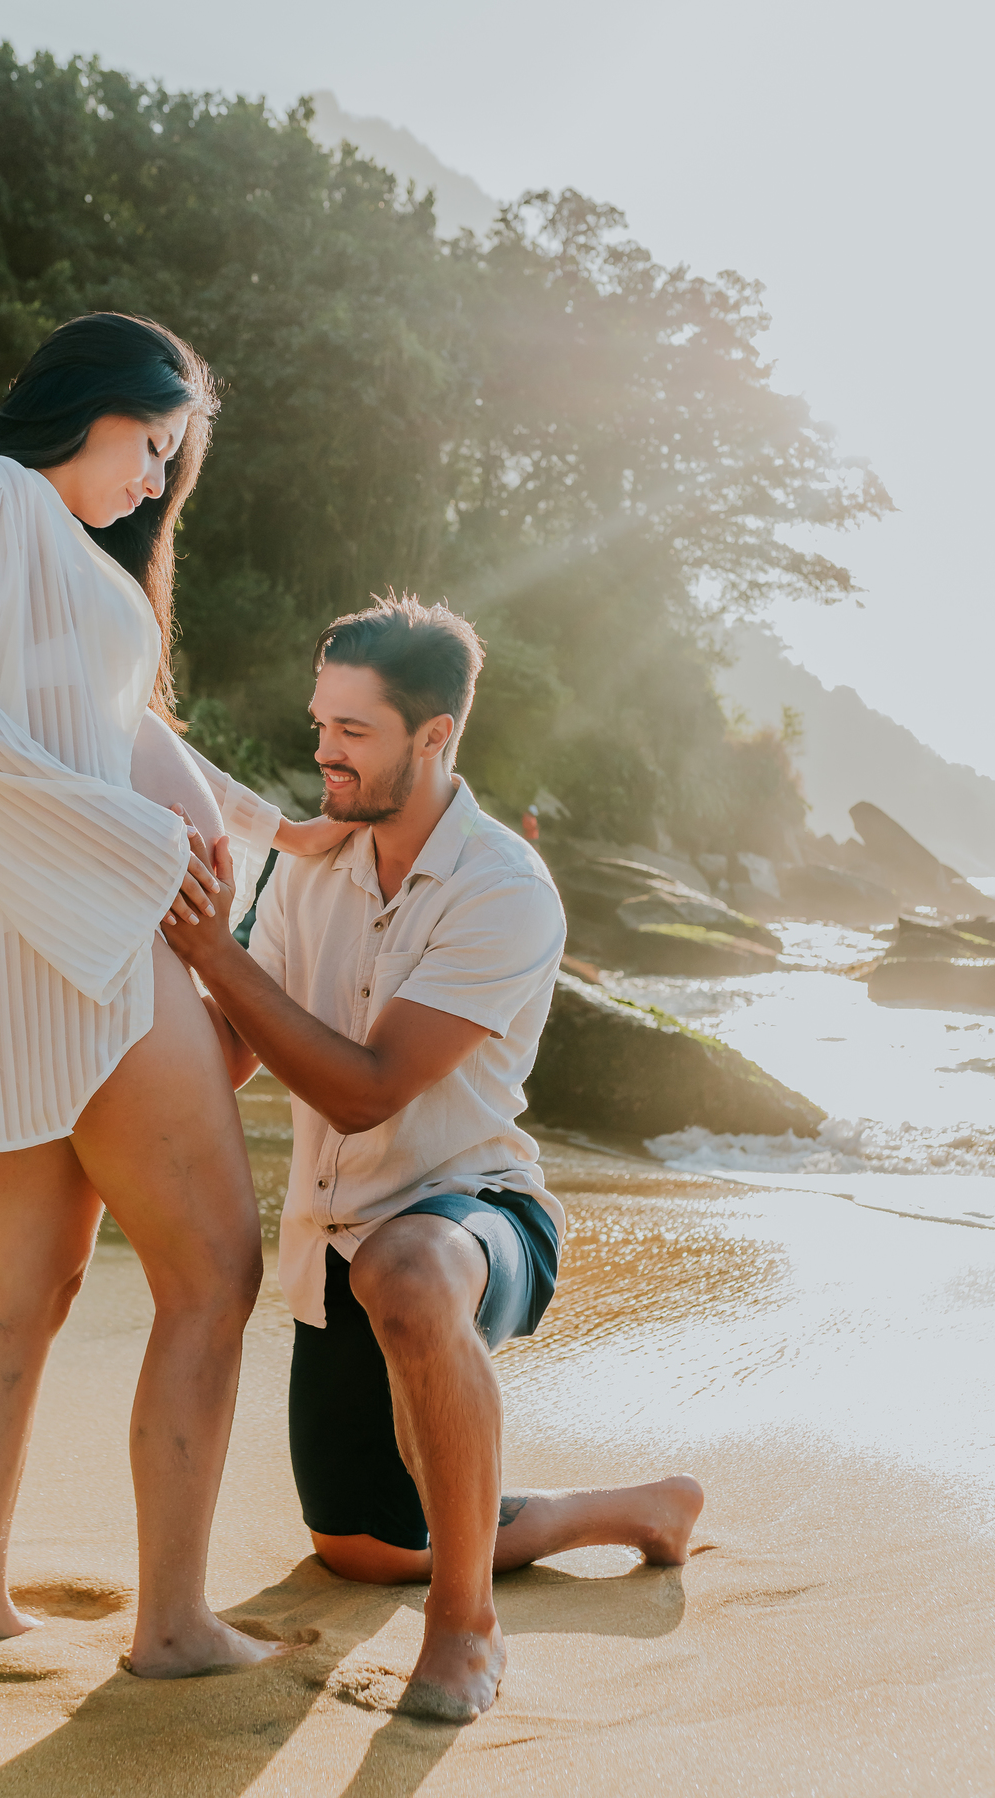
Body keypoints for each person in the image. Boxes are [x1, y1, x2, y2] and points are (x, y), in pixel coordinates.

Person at [0, 312, 345, 1676]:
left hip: (56, 946)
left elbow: (111, 725)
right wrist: (146, 850)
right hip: (84, 944)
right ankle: (175, 1625)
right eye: (150, 442)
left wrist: (259, 822)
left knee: (29, 1289)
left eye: (172, 459)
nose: (153, 478)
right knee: (213, 1271)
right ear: (86, 402)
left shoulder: (57, 549)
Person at [161, 594, 705, 1722]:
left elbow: (363, 1088)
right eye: (321, 723)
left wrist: (216, 951)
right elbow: (238, 1040)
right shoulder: (313, 865)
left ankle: (466, 1630)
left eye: (353, 732)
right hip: (338, 1235)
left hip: (479, 1216)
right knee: (358, 1545)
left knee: (407, 1274)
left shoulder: (503, 888)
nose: (323, 752)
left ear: (435, 735)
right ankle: (638, 1508)